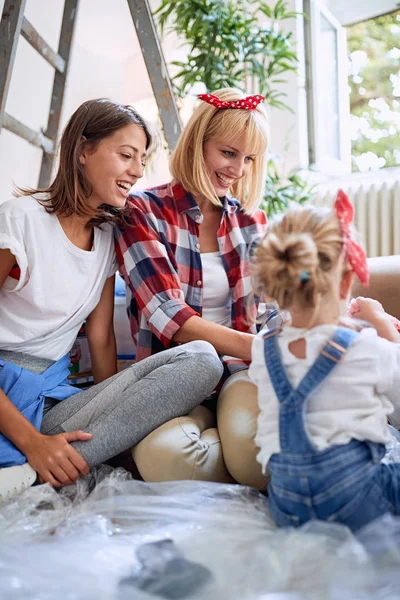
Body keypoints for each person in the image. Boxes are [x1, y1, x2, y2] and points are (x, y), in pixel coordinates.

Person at [0, 98, 223, 502]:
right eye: (126, 155)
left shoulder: (105, 238)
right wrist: (33, 442)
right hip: (7, 404)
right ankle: (40, 465)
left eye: (141, 159)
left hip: (53, 402)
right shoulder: (19, 221)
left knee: (202, 359)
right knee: (96, 480)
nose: (137, 171)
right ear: (84, 150)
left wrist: (113, 423)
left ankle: (31, 478)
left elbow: (101, 339)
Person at [115, 88, 270, 487]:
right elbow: (173, 318)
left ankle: (234, 456)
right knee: (162, 458)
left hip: (239, 372)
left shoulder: (252, 223)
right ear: (198, 144)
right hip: (176, 375)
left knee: (253, 457)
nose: (238, 169)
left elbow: (272, 310)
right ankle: (229, 456)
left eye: (249, 158)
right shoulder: (142, 210)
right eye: (229, 153)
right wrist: (259, 348)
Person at [249, 190, 400, 531]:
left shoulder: (263, 348)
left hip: (286, 503)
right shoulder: (365, 346)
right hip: (356, 498)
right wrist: (378, 321)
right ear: (348, 279)